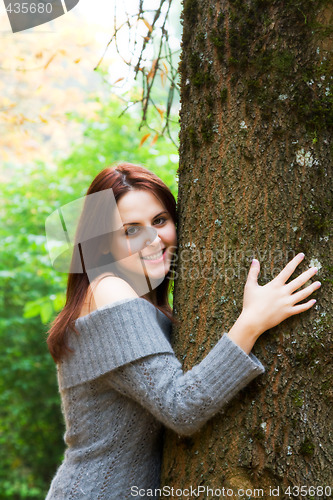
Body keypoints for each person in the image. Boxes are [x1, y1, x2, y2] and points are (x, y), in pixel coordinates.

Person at [45, 163, 321, 499]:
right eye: (131, 230)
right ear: (103, 245)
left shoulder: (149, 306)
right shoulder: (108, 290)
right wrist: (252, 321)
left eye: (160, 221)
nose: (153, 238)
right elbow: (180, 407)